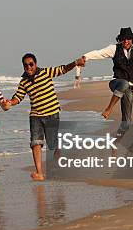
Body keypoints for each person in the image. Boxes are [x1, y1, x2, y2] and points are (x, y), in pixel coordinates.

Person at [76, 5, 133, 136]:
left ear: (131, 39)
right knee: (123, 83)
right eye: (124, 39)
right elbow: (99, 53)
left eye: (128, 39)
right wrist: (85, 57)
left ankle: (116, 142)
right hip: (116, 83)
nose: (126, 41)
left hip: (130, 87)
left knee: (127, 122)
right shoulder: (114, 48)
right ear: (120, 40)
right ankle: (109, 109)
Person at [7, 53, 86, 181]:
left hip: (51, 113)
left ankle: (59, 150)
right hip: (35, 116)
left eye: (31, 64)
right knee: (35, 143)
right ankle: (39, 173)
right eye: (26, 65)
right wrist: (10, 102)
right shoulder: (24, 81)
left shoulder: (45, 72)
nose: (29, 67)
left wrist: (75, 62)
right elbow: (18, 97)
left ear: (36, 64)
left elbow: (62, 69)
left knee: (52, 145)